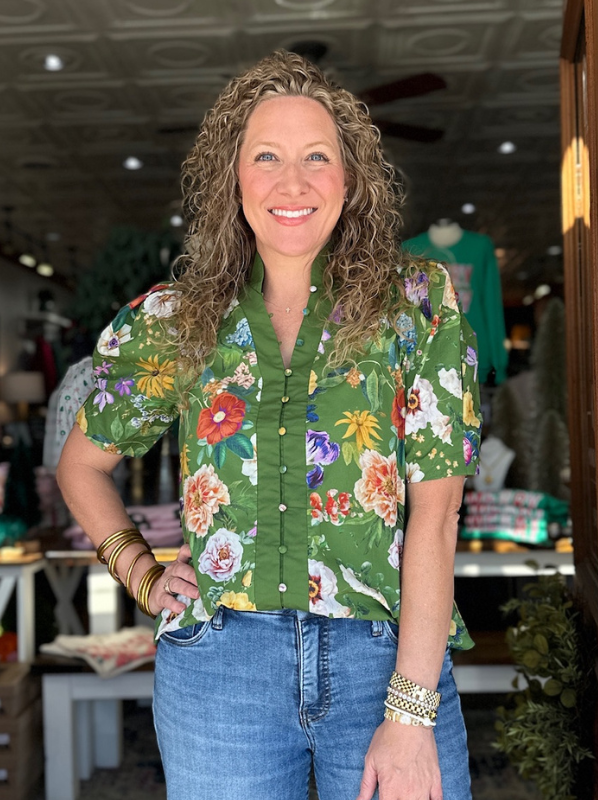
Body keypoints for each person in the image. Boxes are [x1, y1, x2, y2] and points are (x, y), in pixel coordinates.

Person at [57, 50, 482, 800]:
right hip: (221, 672)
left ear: (350, 180)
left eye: (318, 156)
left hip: (384, 658)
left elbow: (437, 512)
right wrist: (141, 572)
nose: (295, 182)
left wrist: (410, 709)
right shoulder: (175, 323)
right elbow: (81, 462)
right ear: (235, 180)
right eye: (267, 157)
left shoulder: (415, 305)